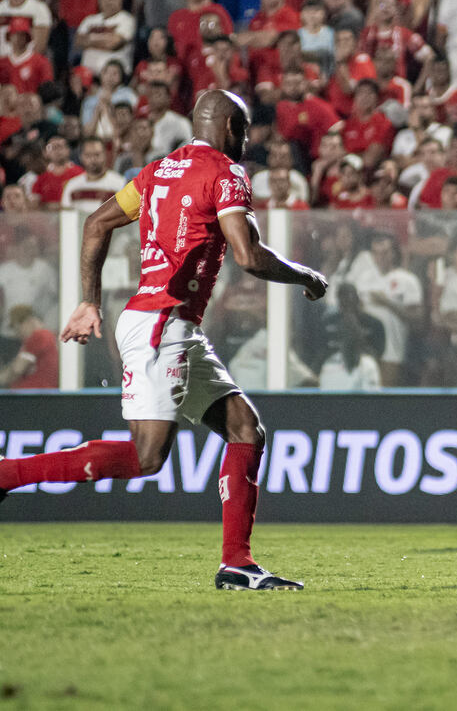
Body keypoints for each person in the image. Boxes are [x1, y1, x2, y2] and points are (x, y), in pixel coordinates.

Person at [0, 90, 329, 592]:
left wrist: (90, 300)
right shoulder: (227, 173)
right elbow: (248, 254)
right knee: (148, 456)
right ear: (227, 128)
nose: (244, 141)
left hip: (168, 324)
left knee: (245, 428)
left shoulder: (158, 172)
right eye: (241, 130)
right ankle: (9, 474)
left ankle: (237, 564)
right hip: (161, 327)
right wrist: (306, 276)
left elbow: (96, 222)